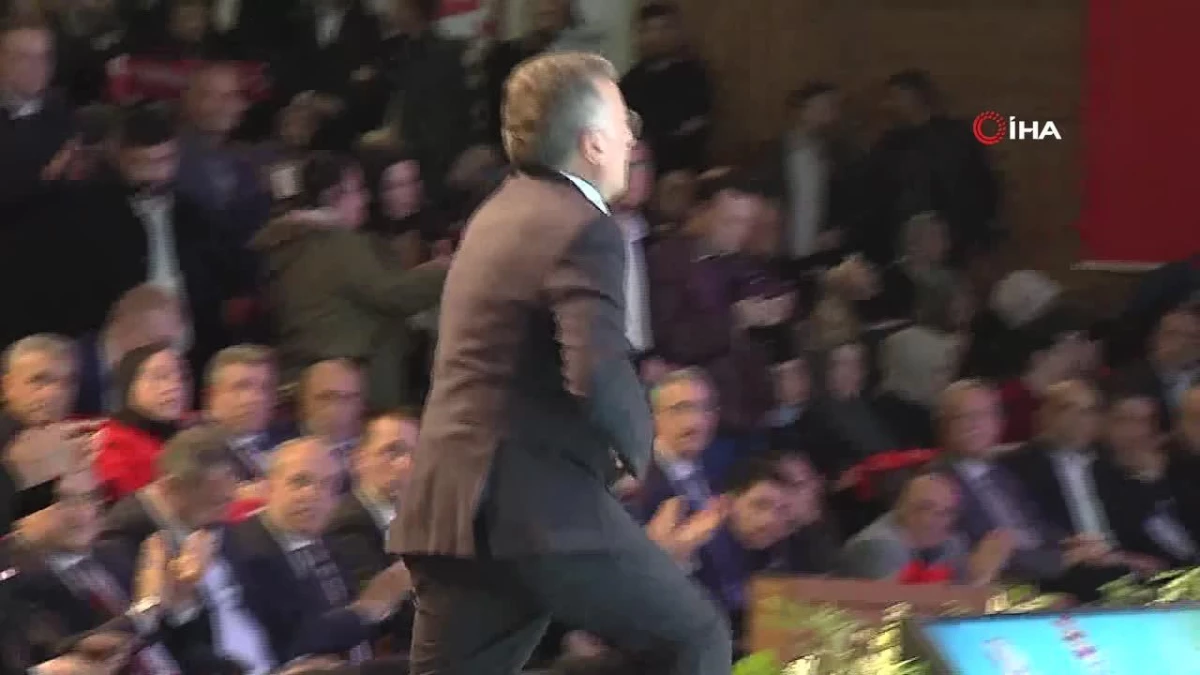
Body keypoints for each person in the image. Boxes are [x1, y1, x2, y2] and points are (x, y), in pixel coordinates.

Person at [392, 51, 731, 674]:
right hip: (534, 505)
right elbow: (596, 369)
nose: (632, 137)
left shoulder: (498, 212)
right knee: (696, 640)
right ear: (593, 141)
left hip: (453, 507)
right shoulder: (584, 225)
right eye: (625, 122)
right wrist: (643, 450)